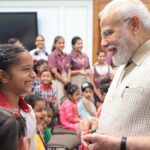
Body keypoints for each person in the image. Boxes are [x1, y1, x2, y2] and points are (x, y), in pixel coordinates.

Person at [81, 0, 150, 149]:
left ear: (134, 25)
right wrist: (97, 127)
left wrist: (119, 144)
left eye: (108, 33)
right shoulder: (123, 64)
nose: (103, 44)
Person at [0, 44, 36, 150]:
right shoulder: (2, 119)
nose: (33, 74)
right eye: (26, 69)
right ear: (4, 76)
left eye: (32, 68)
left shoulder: (28, 111)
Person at [48, 36, 71, 107]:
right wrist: (64, 81)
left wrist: (68, 80)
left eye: (63, 43)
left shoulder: (66, 55)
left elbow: (69, 69)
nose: (61, 45)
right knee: (59, 101)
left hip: (66, 80)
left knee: (67, 100)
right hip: (58, 80)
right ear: (55, 44)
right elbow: (54, 71)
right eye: (59, 43)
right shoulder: (52, 55)